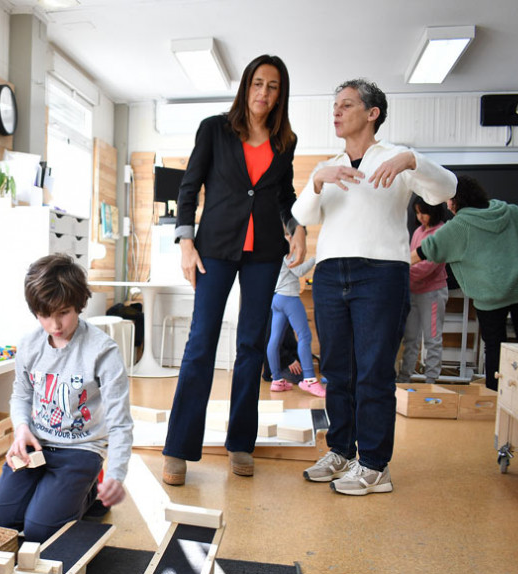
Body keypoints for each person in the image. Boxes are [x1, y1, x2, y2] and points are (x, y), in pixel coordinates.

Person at [293, 79, 456, 496]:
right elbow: (302, 215)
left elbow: (448, 188)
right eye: (334, 105)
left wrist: (411, 161)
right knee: (337, 370)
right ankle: (342, 452)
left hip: (381, 273)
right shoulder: (327, 165)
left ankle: (375, 465)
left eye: (346, 105)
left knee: (373, 370)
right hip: (330, 273)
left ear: (372, 113)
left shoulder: (396, 158)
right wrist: (316, 181)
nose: (336, 112)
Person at [162, 54, 306, 484]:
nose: (264, 93)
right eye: (258, 83)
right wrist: (186, 243)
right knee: (201, 343)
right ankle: (178, 448)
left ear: (281, 94)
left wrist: (296, 228)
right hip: (215, 249)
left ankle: (240, 443)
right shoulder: (214, 129)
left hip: (264, 252)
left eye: (273, 86)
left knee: (251, 344)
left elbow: (284, 195)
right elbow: (189, 187)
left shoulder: (285, 141)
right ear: (246, 86)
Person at [0, 254, 133, 542]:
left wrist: (115, 473)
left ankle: (90, 490)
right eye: (45, 316)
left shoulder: (103, 351)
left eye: (63, 312)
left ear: (79, 304)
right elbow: (21, 395)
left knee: (40, 531)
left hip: (81, 449)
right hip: (37, 446)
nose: (55, 325)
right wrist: (22, 429)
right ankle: (65, 491)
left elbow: (120, 423)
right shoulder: (29, 345)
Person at [412, 175, 518, 390]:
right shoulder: (511, 210)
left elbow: (425, 251)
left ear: (457, 201)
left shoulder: (461, 225)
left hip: (492, 294)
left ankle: (494, 397)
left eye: (448, 200)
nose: (446, 205)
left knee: (495, 347)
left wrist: (396, 264)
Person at [398, 199, 450, 383]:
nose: (420, 217)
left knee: (432, 339)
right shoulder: (418, 232)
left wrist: (401, 273)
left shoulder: (442, 232)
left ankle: (431, 382)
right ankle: (404, 379)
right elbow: (411, 260)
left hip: (433, 294)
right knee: (410, 339)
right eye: (418, 212)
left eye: (424, 213)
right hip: (413, 292)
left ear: (434, 212)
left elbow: (427, 267)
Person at [267, 243, 323, 396]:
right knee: (305, 336)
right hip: (289, 298)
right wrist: (315, 259)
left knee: (275, 340)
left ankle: (277, 380)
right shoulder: (287, 249)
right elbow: (298, 271)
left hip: (277, 298)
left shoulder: (274, 249)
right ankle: (310, 380)